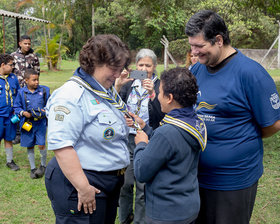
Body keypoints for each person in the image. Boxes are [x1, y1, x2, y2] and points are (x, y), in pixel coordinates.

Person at [185, 10, 280, 224]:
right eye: (192, 46)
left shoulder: (251, 74)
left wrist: (238, 140)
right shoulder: (197, 70)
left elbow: (273, 124)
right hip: (196, 177)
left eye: (199, 46)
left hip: (233, 181)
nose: (194, 52)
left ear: (218, 40)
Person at [44, 34, 131, 224]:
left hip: (108, 182)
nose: (118, 74)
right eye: (114, 68)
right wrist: (83, 188)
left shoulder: (104, 88)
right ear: (94, 63)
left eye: (121, 68)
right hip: (82, 181)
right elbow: (62, 145)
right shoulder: (71, 95)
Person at [127, 67, 206, 224]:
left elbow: (142, 172)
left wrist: (141, 144)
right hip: (187, 206)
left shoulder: (167, 133)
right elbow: (171, 147)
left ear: (169, 98)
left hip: (166, 213)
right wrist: (146, 128)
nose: (158, 98)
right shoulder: (194, 122)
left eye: (160, 92)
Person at [115, 48, 165, 224]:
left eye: (148, 65)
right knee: (125, 184)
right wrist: (118, 86)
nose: (144, 69)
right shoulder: (128, 84)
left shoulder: (160, 86)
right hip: (128, 139)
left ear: (154, 67)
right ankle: (125, 218)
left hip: (149, 139)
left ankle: (140, 221)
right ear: (135, 66)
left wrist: (153, 94)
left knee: (143, 186)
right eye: (140, 64)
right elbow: (115, 106)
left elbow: (162, 115)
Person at [14, 68, 50, 179]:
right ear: (26, 80)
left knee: (41, 144)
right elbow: (16, 107)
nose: (37, 82)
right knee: (29, 145)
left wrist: (44, 111)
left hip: (40, 123)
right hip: (27, 124)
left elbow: (50, 104)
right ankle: (33, 168)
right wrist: (23, 113)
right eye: (34, 80)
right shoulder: (21, 92)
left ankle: (43, 166)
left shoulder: (44, 91)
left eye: (37, 79)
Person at [11, 35, 40, 145]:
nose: (27, 45)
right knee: (18, 111)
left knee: (29, 110)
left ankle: (26, 132)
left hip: (29, 89)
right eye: (25, 43)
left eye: (29, 43)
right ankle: (17, 134)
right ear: (20, 43)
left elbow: (37, 72)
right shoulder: (13, 56)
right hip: (17, 89)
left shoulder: (33, 57)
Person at [0, 54, 20, 171]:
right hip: (0, 116)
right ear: (3, 65)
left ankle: (9, 160)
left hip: (11, 115)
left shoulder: (13, 78)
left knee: (9, 138)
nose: (13, 67)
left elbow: (17, 94)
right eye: (11, 65)